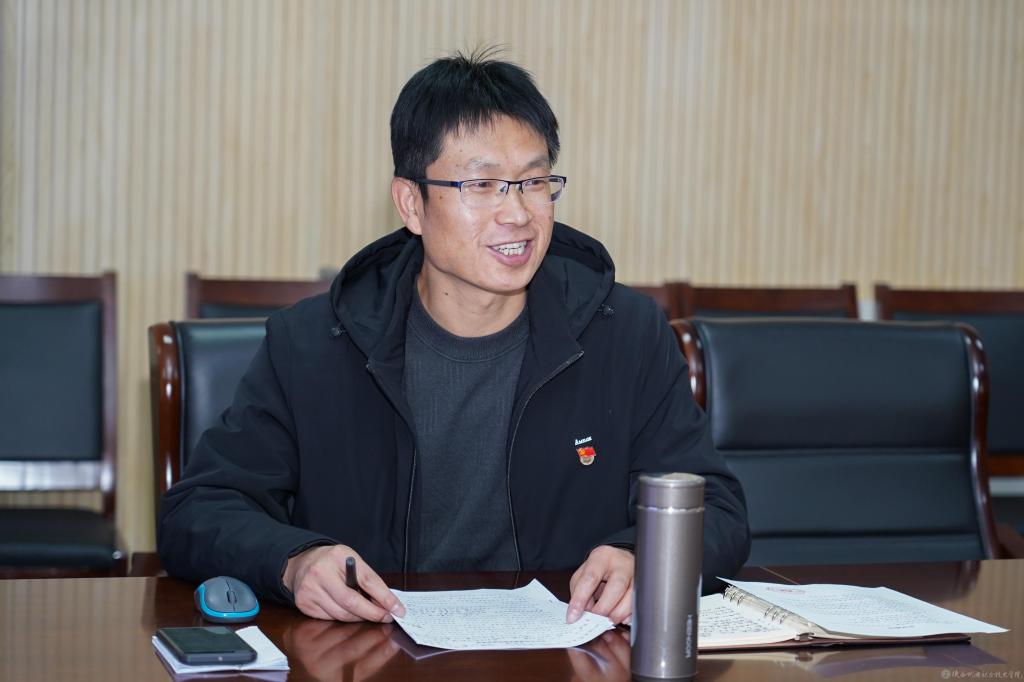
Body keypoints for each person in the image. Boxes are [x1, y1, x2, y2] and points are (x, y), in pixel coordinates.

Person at [157, 50, 749, 625]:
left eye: (534, 181)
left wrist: (642, 556)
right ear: (411, 203)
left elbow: (718, 509)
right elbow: (197, 510)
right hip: (375, 656)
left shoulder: (625, 334)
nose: (518, 214)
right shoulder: (314, 345)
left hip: (567, 655)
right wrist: (293, 561)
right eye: (483, 185)